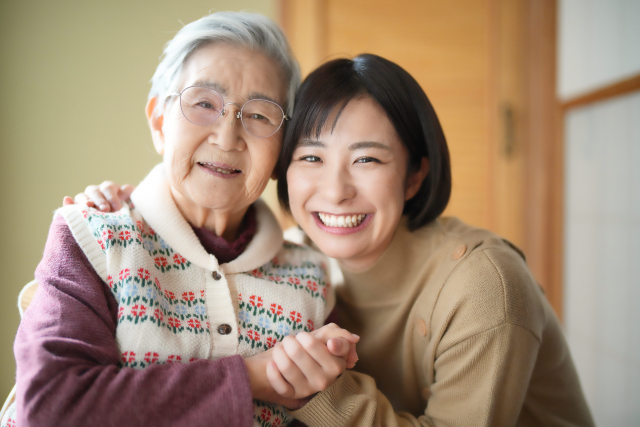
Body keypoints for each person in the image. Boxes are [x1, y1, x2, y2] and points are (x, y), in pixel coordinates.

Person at [80, 54, 595, 426]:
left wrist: (319, 393)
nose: (335, 192)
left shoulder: (485, 286)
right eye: (311, 158)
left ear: (415, 176)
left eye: (367, 159)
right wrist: (130, 206)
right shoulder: (299, 259)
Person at [6, 12, 359, 427]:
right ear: (159, 122)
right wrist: (252, 378)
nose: (227, 137)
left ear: (283, 151)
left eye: (260, 115)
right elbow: (51, 408)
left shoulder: (312, 277)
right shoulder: (93, 237)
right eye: (204, 104)